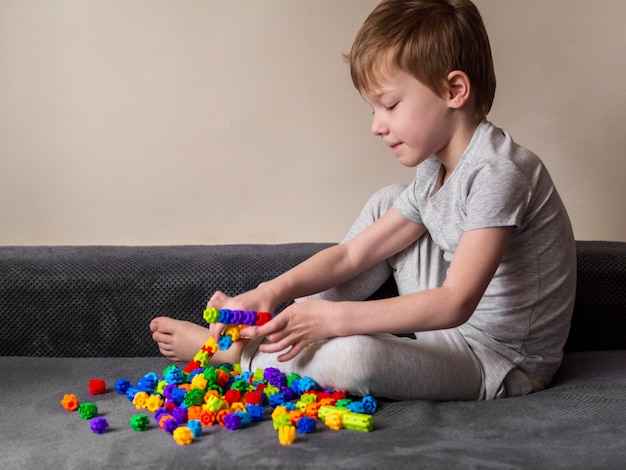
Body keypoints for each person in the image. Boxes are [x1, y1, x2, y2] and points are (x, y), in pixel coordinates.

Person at [150, 0, 576, 401]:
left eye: (389, 105)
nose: (376, 125)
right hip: (452, 329)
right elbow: (354, 254)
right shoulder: (434, 168)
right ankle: (277, 330)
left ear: (454, 90)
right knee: (387, 201)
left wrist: (337, 320)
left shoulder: (498, 172)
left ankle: (240, 355)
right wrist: (268, 291)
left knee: (356, 356)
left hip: (497, 362)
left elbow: (455, 302)